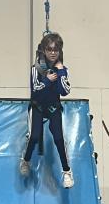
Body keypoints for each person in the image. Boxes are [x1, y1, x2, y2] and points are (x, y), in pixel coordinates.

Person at [20, 32, 74, 188]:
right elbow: (35, 89)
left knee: (59, 138)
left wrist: (61, 71)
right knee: (34, 136)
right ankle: (26, 161)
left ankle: (67, 172)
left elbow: (65, 91)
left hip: (53, 107)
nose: (53, 53)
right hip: (38, 105)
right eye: (49, 49)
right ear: (44, 50)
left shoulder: (62, 69)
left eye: (56, 50)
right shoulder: (36, 69)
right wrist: (47, 80)